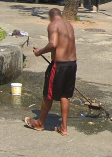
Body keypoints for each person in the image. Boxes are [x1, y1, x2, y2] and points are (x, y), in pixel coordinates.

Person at [26, 8, 77, 136]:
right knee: (65, 95)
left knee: (48, 94)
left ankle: (40, 123)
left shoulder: (53, 25)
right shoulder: (69, 25)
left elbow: (53, 44)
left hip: (59, 65)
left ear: (50, 16)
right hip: (72, 64)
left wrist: (39, 52)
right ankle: (64, 128)